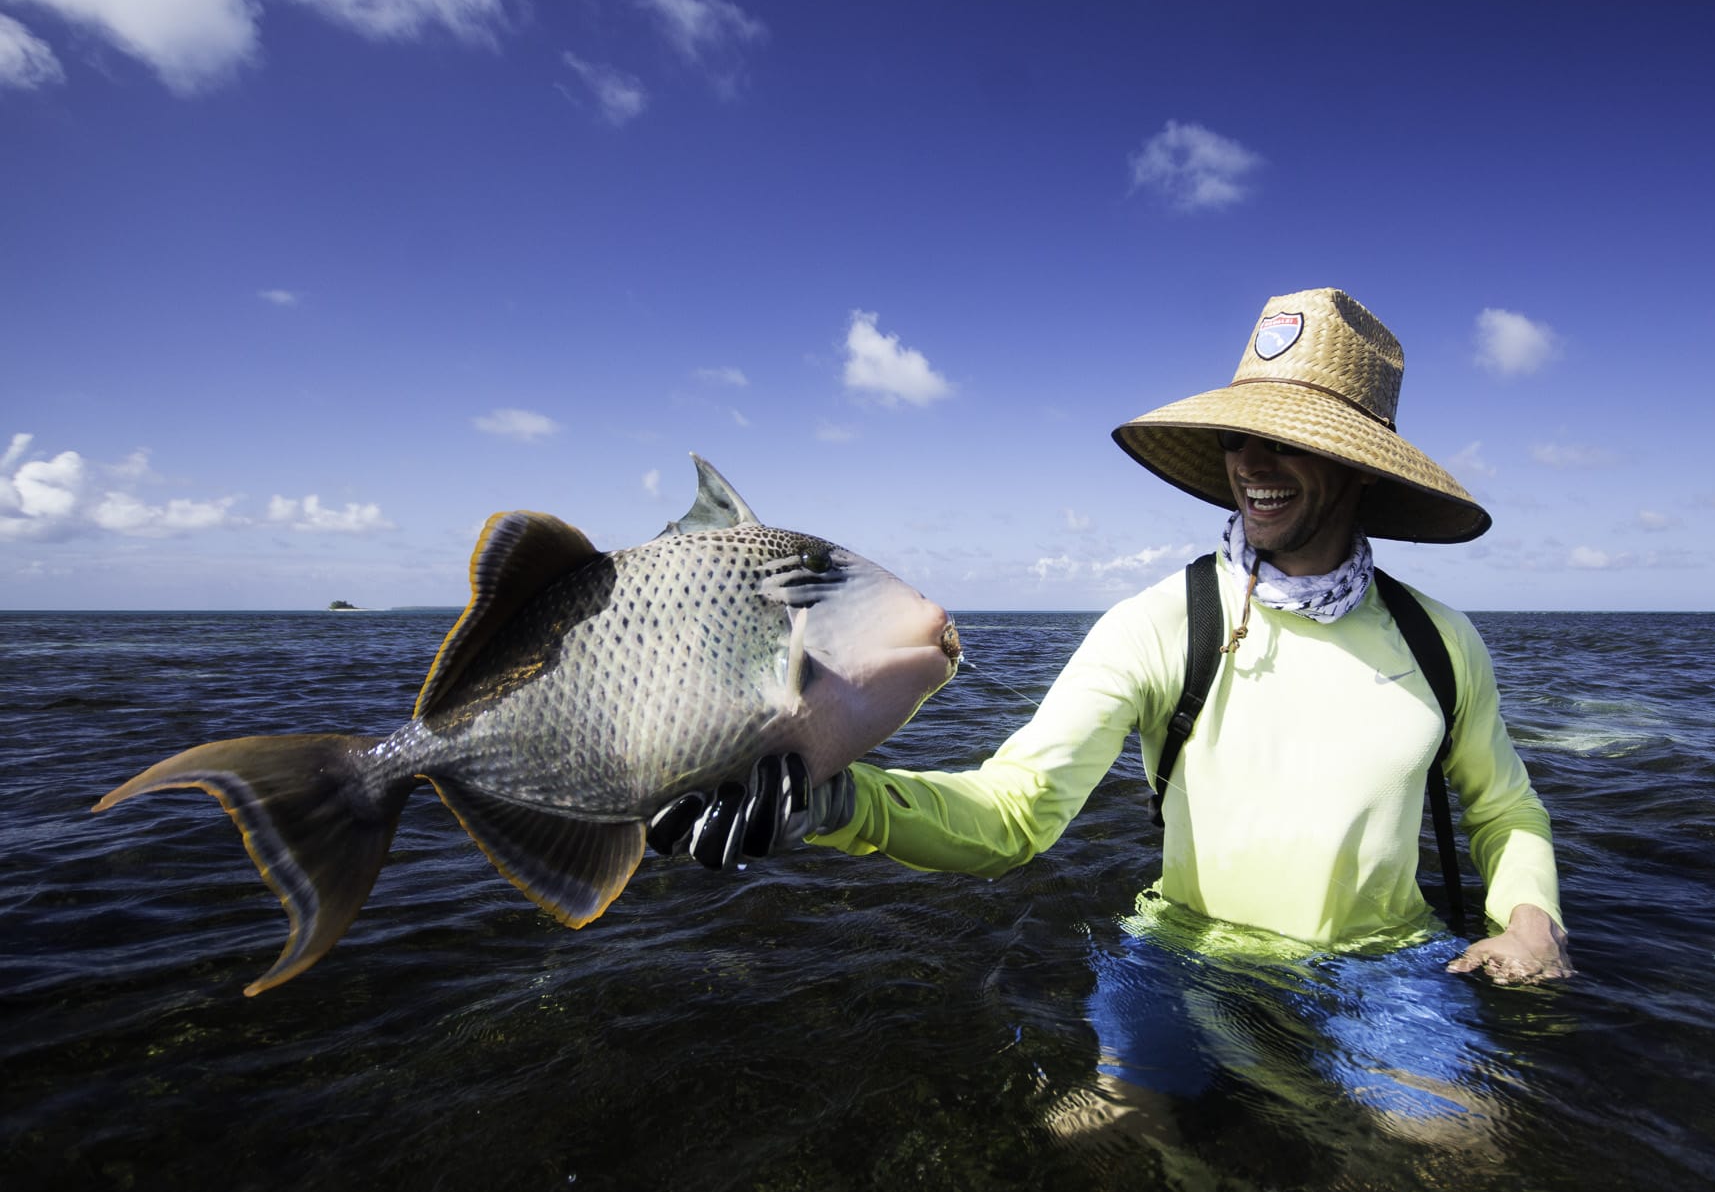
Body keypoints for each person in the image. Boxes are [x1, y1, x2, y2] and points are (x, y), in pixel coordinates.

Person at [652, 287, 1569, 987]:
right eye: (1240, 436)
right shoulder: (1160, 623)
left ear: (1360, 467)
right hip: (1186, 960)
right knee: (1104, 1141)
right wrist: (839, 803)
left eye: (1289, 439)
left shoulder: (1443, 641)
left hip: (1391, 970)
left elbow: (1504, 810)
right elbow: (1015, 812)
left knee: (1461, 1174)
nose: (1252, 462)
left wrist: (1533, 919)